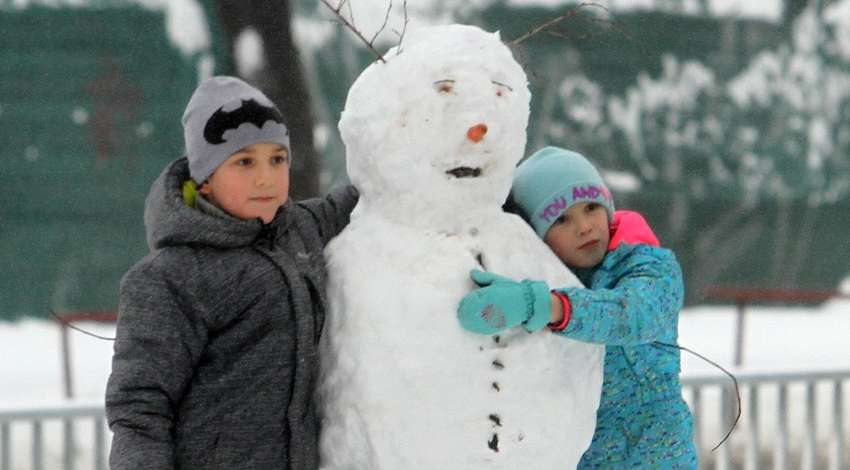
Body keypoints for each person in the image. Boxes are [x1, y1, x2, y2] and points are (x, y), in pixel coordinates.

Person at [105, 76, 358, 470]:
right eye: (244, 162)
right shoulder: (171, 278)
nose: (265, 177)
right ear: (204, 181)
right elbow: (140, 407)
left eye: (277, 159)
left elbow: (362, 195)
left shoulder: (300, 229)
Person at [456, 146, 697, 468]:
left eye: (591, 207)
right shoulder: (542, 279)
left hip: (655, 455)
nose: (584, 227)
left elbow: (634, 315)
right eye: (561, 219)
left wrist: (546, 306)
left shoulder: (650, 267)